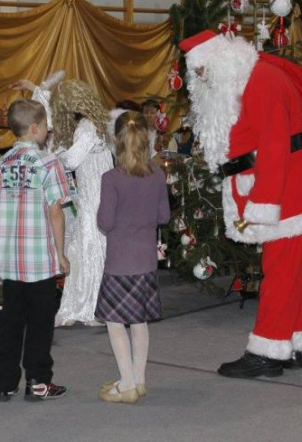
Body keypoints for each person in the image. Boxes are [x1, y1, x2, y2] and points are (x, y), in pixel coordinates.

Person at [179, 30, 302, 379]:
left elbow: (275, 144)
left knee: (280, 270)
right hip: (291, 182)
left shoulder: (260, 80)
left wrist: (263, 203)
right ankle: (289, 345)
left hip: (287, 188)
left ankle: (266, 350)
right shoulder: (245, 78)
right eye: (197, 72)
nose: (202, 77)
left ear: (222, 58)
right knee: (292, 270)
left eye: (204, 69)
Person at [0, 99, 70, 402]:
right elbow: (56, 211)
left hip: (10, 260)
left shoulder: (1, 163)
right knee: (39, 323)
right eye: (46, 124)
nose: (48, 129)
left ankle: (4, 383)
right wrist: (61, 252)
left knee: (10, 321)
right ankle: (38, 381)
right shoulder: (49, 163)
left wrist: (4, 239)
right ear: (35, 128)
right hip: (40, 261)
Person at [14, 75, 113, 327]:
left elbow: (71, 160)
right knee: (85, 248)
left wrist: (51, 156)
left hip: (95, 198)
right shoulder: (92, 125)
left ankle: (88, 306)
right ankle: (82, 305)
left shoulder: (88, 128)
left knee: (89, 248)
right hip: (94, 196)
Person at [95, 112, 170, 404]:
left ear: (116, 141)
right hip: (146, 261)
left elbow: (106, 222)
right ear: (146, 141)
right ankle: (138, 379)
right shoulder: (157, 175)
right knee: (139, 322)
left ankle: (126, 383)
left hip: (119, 263)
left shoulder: (111, 178)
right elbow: (163, 215)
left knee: (115, 323)